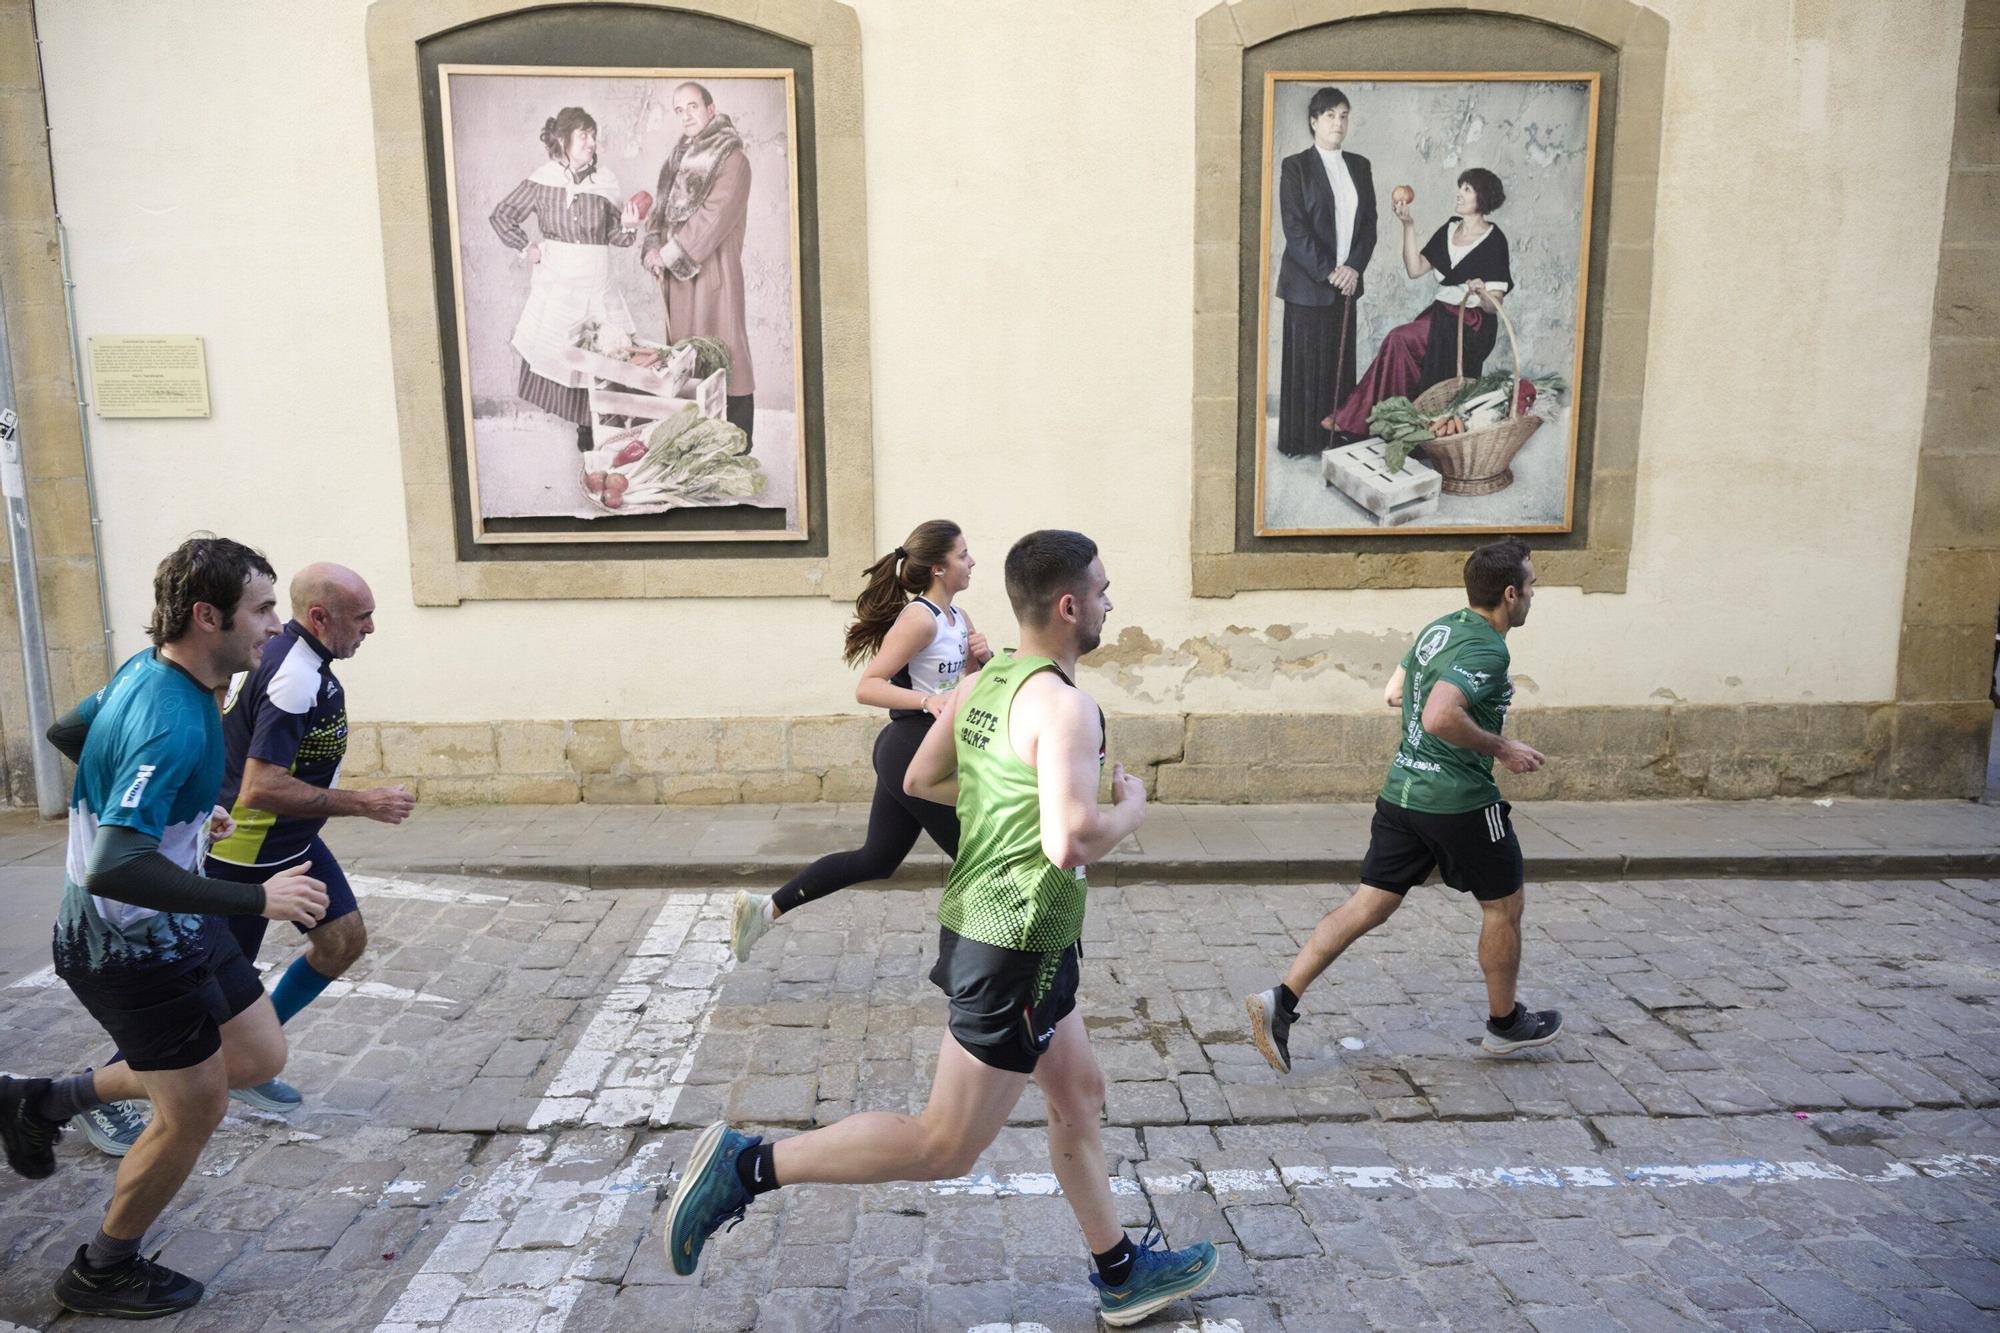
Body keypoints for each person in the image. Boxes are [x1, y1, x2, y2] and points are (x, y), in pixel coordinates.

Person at [665, 531, 1219, 1327]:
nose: (1107, 601)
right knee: (944, 1144)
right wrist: (1128, 809)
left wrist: (1007, 801)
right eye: (1102, 590)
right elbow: (1071, 839)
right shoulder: (1067, 706)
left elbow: (921, 776)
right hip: (1015, 945)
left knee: (1080, 1095)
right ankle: (745, 1165)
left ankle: (1121, 1270)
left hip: (1025, 936)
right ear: (1068, 607)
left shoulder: (984, 680)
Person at [0, 537, 328, 1319]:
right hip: (125, 948)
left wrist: (182, 813)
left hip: (177, 916)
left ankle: (42, 1100)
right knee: (196, 1108)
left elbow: (70, 735)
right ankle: (103, 1268)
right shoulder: (174, 720)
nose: (275, 627)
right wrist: (258, 902)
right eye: (261, 609)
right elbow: (114, 864)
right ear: (206, 615)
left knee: (255, 1053)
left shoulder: (149, 673)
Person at [76, 565, 417, 1154]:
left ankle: (248, 1069)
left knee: (342, 940)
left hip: (294, 842)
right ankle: (97, 1098)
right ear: (321, 618)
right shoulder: (288, 679)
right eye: (361, 617)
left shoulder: (303, 664)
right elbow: (260, 787)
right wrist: (363, 802)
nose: (372, 628)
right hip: (249, 854)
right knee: (205, 997)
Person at [1246, 538, 1561, 1071]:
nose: (1533, 594)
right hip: (1458, 802)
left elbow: (1395, 691)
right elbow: (1438, 715)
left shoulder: (1441, 627)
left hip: (1402, 793)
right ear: (1510, 594)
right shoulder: (1488, 648)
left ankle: (1282, 999)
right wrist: (1501, 746)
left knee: (1370, 903)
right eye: (1531, 586)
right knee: (1503, 906)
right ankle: (1506, 1025)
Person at [730, 522, 991, 960]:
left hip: (932, 746)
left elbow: (964, 693)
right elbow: (868, 686)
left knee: (878, 858)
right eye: (963, 554)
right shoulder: (918, 619)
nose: (972, 561)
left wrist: (978, 661)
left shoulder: (958, 619)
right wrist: (927, 701)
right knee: (978, 855)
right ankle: (973, 976)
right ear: (938, 568)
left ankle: (763, 910)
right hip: (909, 746)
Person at [491, 106, 644, 453]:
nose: (591, 142)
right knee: (566, 352)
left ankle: (601, 427)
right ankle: (583, 427)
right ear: (563, 140)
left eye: (593, 134)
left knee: (604, 352)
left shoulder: (605, 181)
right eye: (583, 135)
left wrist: (630, 227)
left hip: (598, 283)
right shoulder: (542, 180)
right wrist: (526, 247)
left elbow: (617, 238)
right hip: (558, 284)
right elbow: (502, 215)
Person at [1325, 167, 1513, 442]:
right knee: (1400, 346)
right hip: (1439, 316)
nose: (1459, 194)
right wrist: (1408, 225)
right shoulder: (1449, 229)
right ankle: (1386, 422)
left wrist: (1483, 292)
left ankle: (1356, 419)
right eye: (1460, 187)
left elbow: (1493, 307)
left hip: (1470, 324)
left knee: (1399, 338)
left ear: (1482, 198)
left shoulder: (1495, 241)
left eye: (1467, 189)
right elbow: (1414, 269)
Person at [642, 82, 757, 444]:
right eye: (679, 110)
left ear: (711, 109)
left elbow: (713, 217)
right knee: (684, 361)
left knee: (726, 354)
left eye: (692, 106)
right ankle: (694, 444)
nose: (686, 115)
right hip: (678, 280)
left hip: (713, 276)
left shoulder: (732, 159)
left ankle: (737, 443)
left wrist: (669, 253)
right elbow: (660, 212)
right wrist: (650, 246)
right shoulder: (677, 160)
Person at [1274, 86, 1378, 458]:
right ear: (1314, 121)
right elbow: (1295, 229)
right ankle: (1302, 442)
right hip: (1308, 284)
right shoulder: (1295, 166)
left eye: (1344, 115)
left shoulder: (1360, 166)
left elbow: (1369, 225)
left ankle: (1334, 438)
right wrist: (1331, 271)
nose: (1338, 122)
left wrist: (1353, 269)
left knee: (1339, 362)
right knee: (1306, 364)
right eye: (1330, 115)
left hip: (1346, 284)